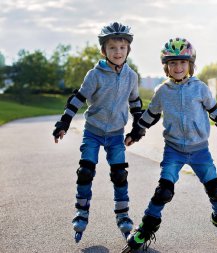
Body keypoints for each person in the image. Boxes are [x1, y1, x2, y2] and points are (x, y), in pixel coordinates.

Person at [122, 38, 217, 251]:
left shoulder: (199, 88)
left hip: (200, 150)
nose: (178, 67)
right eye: (173, 63)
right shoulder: (162, 91)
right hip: (173, 150)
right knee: (163, 191)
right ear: (166, 66)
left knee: (215, 189)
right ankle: (145, 229)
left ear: (190, 65)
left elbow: (215, 110)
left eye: (183, 63)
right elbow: (150, 115)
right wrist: (136, 133)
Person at [52, 22, 143, 242]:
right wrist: (64, 122)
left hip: (115, 133)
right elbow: (78, 98)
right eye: (112, 48)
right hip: (93, 130)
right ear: (104, 51)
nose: (118, 52)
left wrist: (137, 128)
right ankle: (82, 212)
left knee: (120, 174)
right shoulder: (95, 74)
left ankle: (123, 216)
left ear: (128, 50)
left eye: (122, 48)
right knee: (86, 171)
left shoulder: (131, 76)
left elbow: (135, 103)